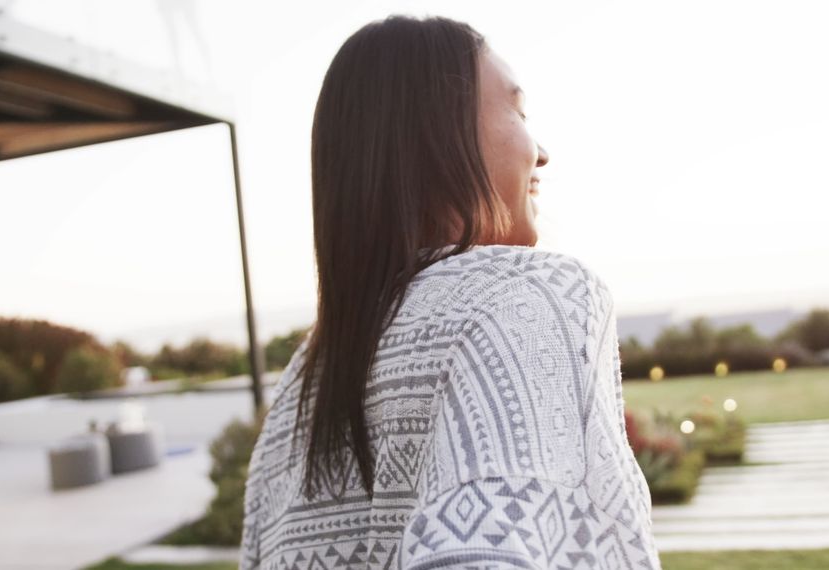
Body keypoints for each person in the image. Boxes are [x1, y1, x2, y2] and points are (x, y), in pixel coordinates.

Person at [240, 15, 661, 570]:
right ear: (437, 134)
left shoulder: (308, 374)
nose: (543, 152)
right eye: (519, 110)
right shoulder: (522, 298)